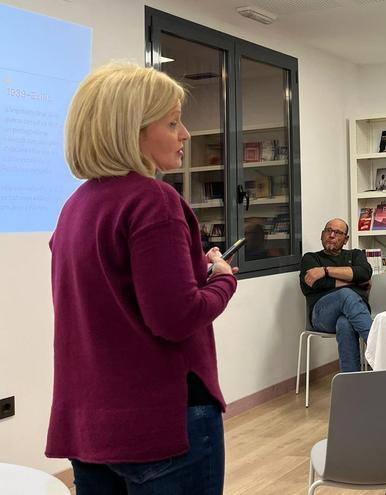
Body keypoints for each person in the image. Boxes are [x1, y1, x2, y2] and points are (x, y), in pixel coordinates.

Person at [47, 63, 238, 494]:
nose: (185, 134)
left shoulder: (75, 207)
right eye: (172, 123)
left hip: (92, 426)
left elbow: (112, 303)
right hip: (161, 424)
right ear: (130, 132)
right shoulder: (154, 200)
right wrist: (223, 280)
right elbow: (175, 318)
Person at [300, 219, 373, 372]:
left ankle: (351, 383)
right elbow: (314, 284)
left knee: (345, 323)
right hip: (322, 316)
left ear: (345, 239)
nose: (331, 235)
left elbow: (364, 273)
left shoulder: (355, 255)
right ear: (322, 235)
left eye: (338, 232)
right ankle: (380, 351)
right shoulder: (310, 258)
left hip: (352, 314)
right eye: (328, 230)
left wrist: (325, 271)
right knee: (345, 294)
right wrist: (353, 281)